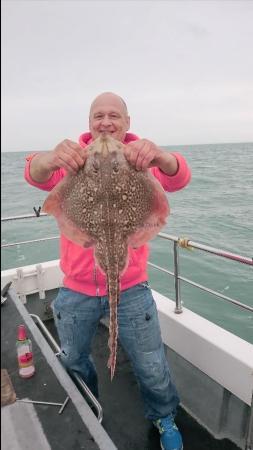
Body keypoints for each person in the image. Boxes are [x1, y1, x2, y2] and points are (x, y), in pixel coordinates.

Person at [24, 92, 191, 450]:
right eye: (98, 115)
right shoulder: (73, 159)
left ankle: (164, 417)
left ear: (127, 123)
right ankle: (86, 405)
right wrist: (50, 157)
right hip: (76, 290)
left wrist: (161, 156)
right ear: (89, 123)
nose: (105, 122)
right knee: (72, 358)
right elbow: (34, 173)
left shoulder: (140, 157)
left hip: (132, 288)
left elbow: (177, 177)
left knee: (151, 365)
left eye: (114, 115)